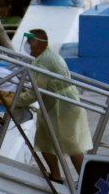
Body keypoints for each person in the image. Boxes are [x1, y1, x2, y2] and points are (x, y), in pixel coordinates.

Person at [18, 29, 92, 183]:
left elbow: (35, 91)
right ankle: (58, 176)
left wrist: (16, 101)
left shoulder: (43, 62)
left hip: (63, 106)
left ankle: (84, 181)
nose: (29, 47)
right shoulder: (47, 55)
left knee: (72, 146)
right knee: (46, 140)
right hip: (61, 104)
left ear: (37, 43)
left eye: (30, 43)